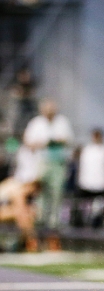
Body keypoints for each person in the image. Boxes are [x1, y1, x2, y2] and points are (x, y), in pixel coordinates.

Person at [23, 99, 73, 241]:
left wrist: (56, 141)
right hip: (41, 162)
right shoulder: (36, 123)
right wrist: (44, 143)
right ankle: (40, 220)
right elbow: (29, 143)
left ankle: (54, 224)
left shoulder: (62, 122)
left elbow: (67, 140)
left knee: (56, 193)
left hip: (58, 163)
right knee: (40, 193)